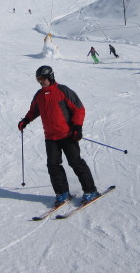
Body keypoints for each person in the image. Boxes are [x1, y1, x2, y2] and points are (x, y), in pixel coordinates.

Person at [17, 65, 100, 207]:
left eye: (42, 78)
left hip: (68, 135)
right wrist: (26, 120)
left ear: (50, 77)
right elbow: (34, 111)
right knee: (53, 165)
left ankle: (90, 190)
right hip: (50, 137)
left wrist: (77, 127)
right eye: (38, 79)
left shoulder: (63, 91)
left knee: (75, 162)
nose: (40, 82)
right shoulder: (39, 95)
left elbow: (79, 109)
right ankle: (62, 193)